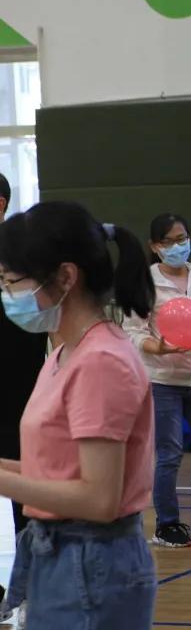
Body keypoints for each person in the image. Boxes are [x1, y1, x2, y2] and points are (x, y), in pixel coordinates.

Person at [0, 201, 157, 628]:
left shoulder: (101, 361)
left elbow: (98, 499)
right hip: (59, 556)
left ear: (66, 277)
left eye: (13, 282)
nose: (7, 294)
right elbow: (56, 469)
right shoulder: (65, 353)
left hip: (92, 565)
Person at [123, 213, 191, 548]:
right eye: (168, 241)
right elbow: (132, 331)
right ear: (154, 247)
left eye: (182, 239)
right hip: (162, 382)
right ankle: (167, 523)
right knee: (168, 453)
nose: (176, 246)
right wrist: (156, 347)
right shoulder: (144, 282)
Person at [0, 173, 46, 615]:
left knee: (24, 491)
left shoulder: (22, 254)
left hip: (19, 391)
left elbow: (37, 321)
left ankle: (30, 581)